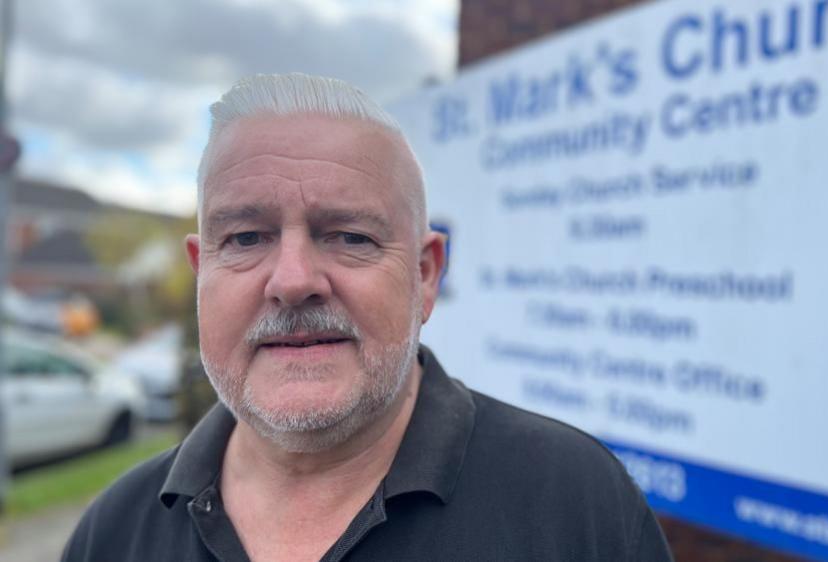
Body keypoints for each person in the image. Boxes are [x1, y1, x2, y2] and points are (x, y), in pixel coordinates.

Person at [62, 73, 673, 561]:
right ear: (203, 272)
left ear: (425, 275)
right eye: (247, 238)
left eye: (351, 237)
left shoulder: (577, 504)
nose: (294, 281)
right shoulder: (113, 530)